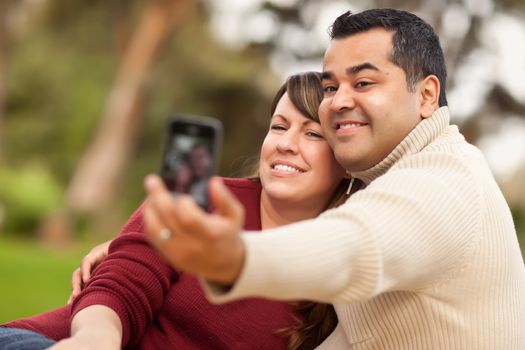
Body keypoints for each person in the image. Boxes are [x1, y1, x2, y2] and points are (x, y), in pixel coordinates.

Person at [142, 8, 525, 349]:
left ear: (426, 96)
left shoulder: (446, 181)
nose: (339, 101)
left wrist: (235, 257)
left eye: (363, 83)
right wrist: (143, 249)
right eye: (330, 87)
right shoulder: (374, 181)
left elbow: (357, 245)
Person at [0, 72, 352, 350]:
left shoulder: (349, 262)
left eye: (314, 134)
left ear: (347, 160)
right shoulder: (201, 199)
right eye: (278, 126)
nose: (285, 144)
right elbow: (123, 286)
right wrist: (95, 341)